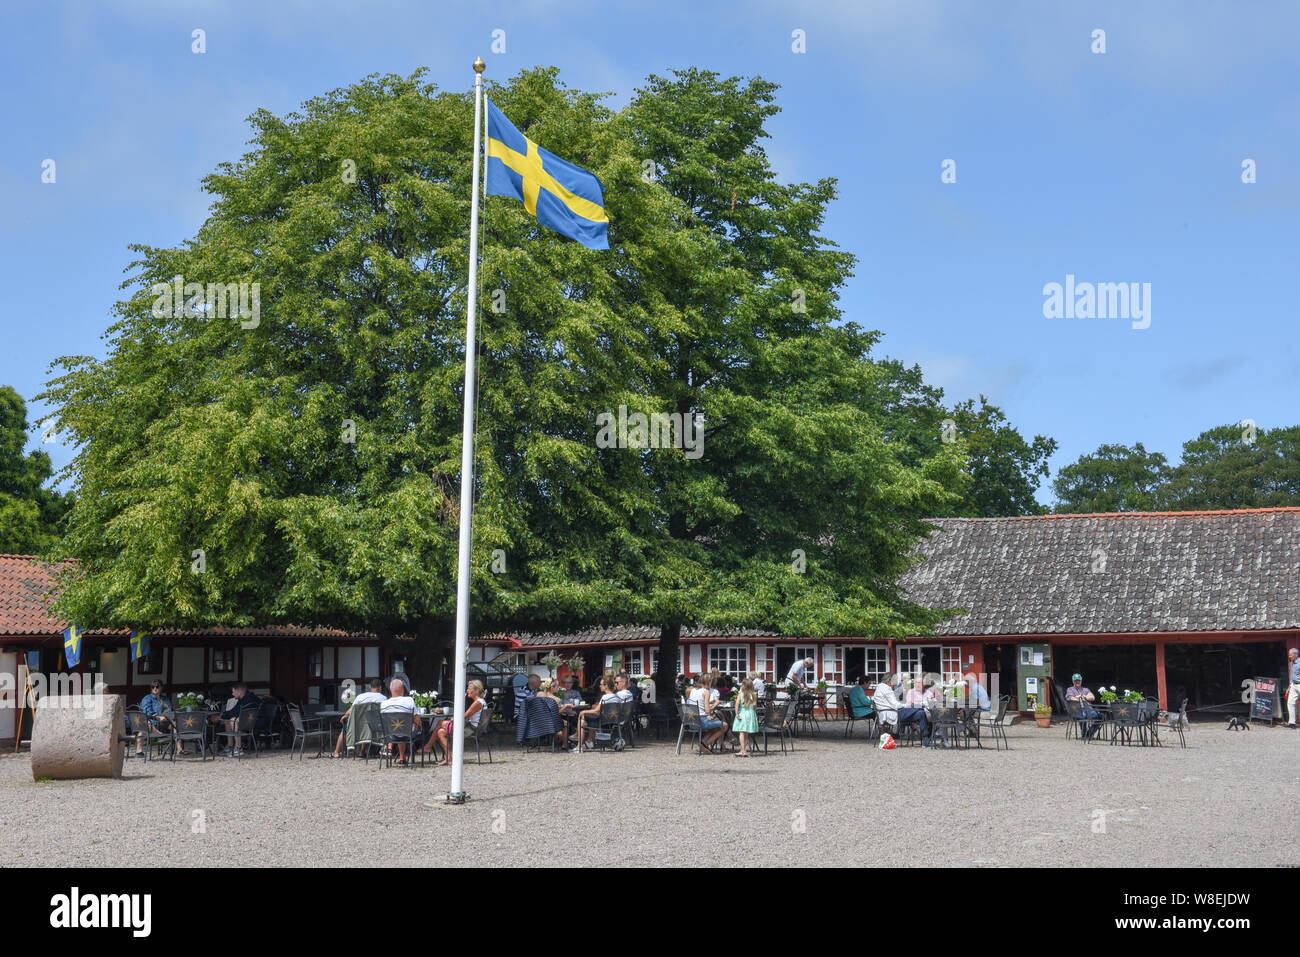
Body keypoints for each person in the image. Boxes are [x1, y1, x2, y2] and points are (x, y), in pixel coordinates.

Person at [872, 673, 935, 747]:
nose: (896, 684)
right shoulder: (886, 689)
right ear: (889, 682)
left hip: (887, 712)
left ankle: (925, 739)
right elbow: (896, 705)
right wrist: (906, 705)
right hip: (893, 712)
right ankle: (926, 739)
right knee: (918, 707)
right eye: (894, 681)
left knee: (921, 713)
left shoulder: (880, 688)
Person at [432, 680, 486, 766]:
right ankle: (449, 759)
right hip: (473, 727)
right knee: (440, 731)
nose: (467, 690)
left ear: (477, 691)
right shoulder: (481, 701)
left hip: (471, 729)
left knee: (441, 723)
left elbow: (464, 716)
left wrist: (461, 703)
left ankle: (428, 746)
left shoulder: (477, 703)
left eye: (469, 689)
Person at [330, 678, 387, 758]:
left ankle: (336, 752)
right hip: (375, 726)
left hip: (359, 725)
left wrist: (345, 715)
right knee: (367, 727)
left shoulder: (361, 697)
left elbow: (351, 710)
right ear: (380, 688)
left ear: (370, 688)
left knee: (346, 729)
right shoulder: (384, 698)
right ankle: (362, 751)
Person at [379, 677, 422, 766]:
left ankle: (402, 758)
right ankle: (402, 758)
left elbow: (384, 722)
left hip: (391, 736)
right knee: (403, 728)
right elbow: (417, 719)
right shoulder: (409, 700)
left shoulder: (384, 704)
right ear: (402, 689)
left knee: (398, 727)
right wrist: (420, 727)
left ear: (391, 690)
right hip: (408, 735)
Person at [573, 676, 619, 753]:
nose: (599, 686)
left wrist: (583, 711)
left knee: (582, 717)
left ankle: (579, 744)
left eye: (601, 684)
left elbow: (596, 711)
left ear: (606, 686)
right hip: (611, 721)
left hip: (602, 722)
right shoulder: (616, 696)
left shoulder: (605, 697)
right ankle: (588, 740)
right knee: (587, 717)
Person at [212, 683, 260, 756]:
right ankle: (230, 746)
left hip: (256, 722)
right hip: (248, 720)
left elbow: (237, 711)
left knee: (234, 720)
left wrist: (220, 716)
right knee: (228, 720)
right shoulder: (243, 698)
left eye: (233, 691)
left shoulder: (248, 698)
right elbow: (235, 710)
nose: (232, 694)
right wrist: (222, 716)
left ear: (239, 691)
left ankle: (238, 748)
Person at [687, 673, 728, 753]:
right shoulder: (706, 692)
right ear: (709, 682)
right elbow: (708, 711)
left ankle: (702, 743)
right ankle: (705, 744)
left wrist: (709, 702)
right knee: (725, 725)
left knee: (715, 726)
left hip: (692, 721)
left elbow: (698, 704)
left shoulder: (693, 690)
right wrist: (715, 704)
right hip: (701, 721)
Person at [137, 681, 174, 757]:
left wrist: (168, 717)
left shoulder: (165, 698)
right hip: (153, 721)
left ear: (161, 688)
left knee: (176, 724)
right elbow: (146, 712)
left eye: (157, 686)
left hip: (165, 721)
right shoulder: (147, 698)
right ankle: (139, 752)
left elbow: (170, 709)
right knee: (146, 724)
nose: (155, 688)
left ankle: (179, 750)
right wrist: (158, 717)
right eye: (153, 687)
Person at [1064, 673, 1102, 739]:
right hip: (1078, 710)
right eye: (1075, 680)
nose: (1077, 682)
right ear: (1073, 681)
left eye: (1078, 680)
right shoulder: (1070, 689)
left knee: (1101, 717)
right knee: (1083, 716)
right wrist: (1081, 697)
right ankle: (1084, 735)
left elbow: (1092, 697)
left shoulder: (1086, 689)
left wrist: (1084, 697)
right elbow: (1071, 698)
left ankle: (1089, 733)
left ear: (1081, 681)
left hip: (1089, 710)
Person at [732, 678, 759, 757]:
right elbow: (755, 706)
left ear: (743, 686)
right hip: (750, 714)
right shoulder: (754, 694)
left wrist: (737, 713)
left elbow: (737, 704)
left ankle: (743, 750)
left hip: (743, 713)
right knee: (746, 733)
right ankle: (744, 750)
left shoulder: (740, 694)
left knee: (741, 733)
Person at [1287, 648, 1300, 728]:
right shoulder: (1292, 662)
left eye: (1290, 655)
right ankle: (1292, 722)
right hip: (1293, 685)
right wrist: (1290, 685)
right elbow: (1291, 674)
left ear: (1295, 655)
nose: (1289, 656)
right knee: (1290, 702)